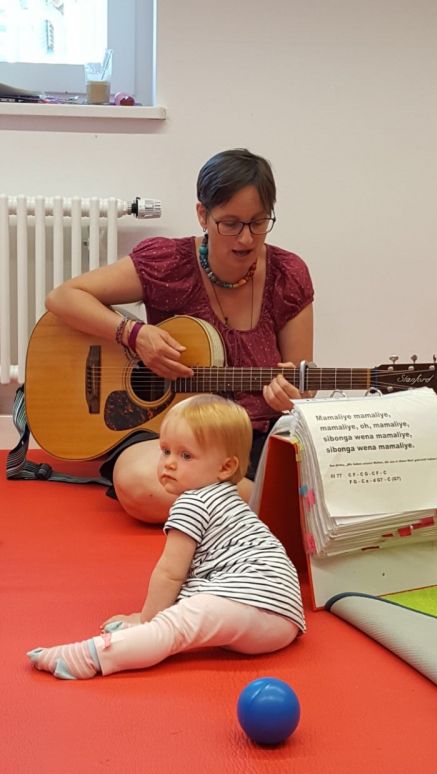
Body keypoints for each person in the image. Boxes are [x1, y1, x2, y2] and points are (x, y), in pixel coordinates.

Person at [45, 148, 314, 523]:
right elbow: (63, 297)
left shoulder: (288, 274)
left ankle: (240, 504)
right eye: (230, 223)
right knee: (139, 484)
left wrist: (292, 396)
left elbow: (303, 387)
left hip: (249, 437)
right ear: (203, 214)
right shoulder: (168, 263)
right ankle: (268, 507)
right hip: (168, 433)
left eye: (258, 222)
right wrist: (135, 334)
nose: (245, 238)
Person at [27, 395, 305, 680]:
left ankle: (92, 655)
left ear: (225, 467)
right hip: (283, 620)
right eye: (165, 451)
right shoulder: (230, 498)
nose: (169, 463)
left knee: (170, 628)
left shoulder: (193, 502)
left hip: (250, 604)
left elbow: (170, 574)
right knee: (187, 612)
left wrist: (145, 619)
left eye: (186, 456)